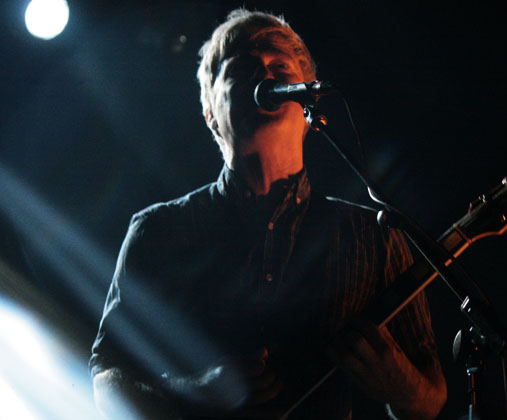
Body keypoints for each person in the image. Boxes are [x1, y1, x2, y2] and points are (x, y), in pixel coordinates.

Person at [90, 8, 446, 420]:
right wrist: (191, 392)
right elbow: (106, 377)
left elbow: (432, 397)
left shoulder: (377, 234)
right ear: (210, 114)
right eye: (242, 69)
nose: (264, 73)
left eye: (280, 67)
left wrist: (403, 387)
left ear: (307, 102)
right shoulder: (158, 230)